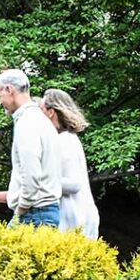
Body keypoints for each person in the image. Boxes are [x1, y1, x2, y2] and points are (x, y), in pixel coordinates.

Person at [0, 69, 62, 228]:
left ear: (9, 89)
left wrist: (20, 211)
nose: (0, 102)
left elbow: (32, 177)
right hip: (42, 212)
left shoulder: (27, 123)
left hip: (34, 214)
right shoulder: (41, 119)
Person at [40, 88, 100, 239]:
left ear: (51, 112)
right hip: (80, 218)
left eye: (41, 109)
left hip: (74, 221)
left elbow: (73, 184)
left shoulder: (64, 141)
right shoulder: (70, 139)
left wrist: (39, 181)